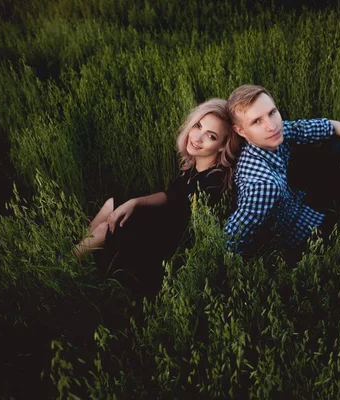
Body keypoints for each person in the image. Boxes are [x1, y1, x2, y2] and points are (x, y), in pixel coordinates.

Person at [73, 98, 240, 293]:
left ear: (222, 146)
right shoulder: (197, 166)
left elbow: (184, 228)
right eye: (198, 126)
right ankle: (83, 255)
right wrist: (135, 202)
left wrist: (139, 216)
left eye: (211, 136)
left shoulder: (213, 181)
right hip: (164, 224)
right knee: (113, 204)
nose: (197, 137)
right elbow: (172, 195)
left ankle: (65, 265)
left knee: (107, 228)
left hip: (167, 246)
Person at [223, 84, 340, 257]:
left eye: (272, 112)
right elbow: (229, 243)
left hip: (299, 201)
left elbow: (333, 126)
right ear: (240, 130)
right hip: (301, 242)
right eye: (256, 121)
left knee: (338, 143)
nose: (271, 125)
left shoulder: (272, 135)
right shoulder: (264, 187)